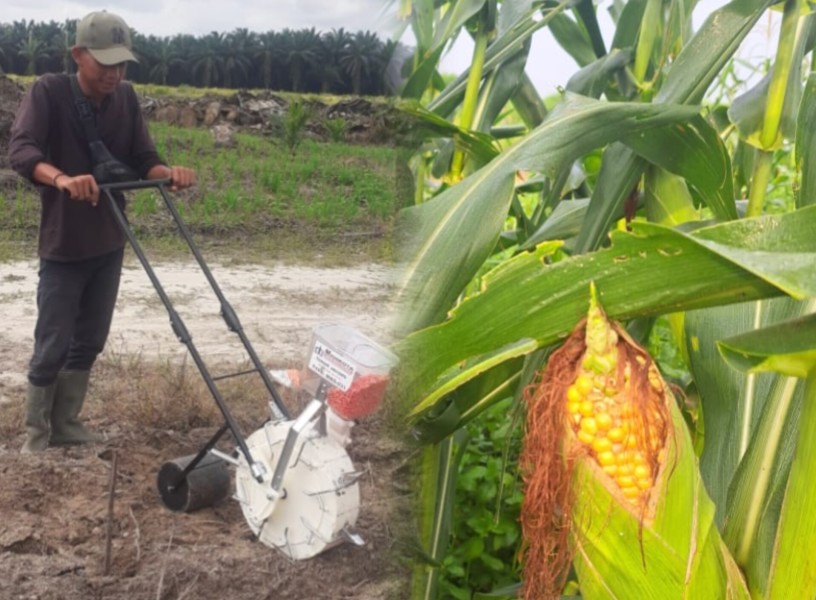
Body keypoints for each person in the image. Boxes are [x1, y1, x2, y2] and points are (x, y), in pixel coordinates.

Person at [8, 10, 196, 452]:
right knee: (52, 341)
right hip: (63, 243)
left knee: (90, 337)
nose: (115, 73)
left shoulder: (126, 99)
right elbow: (21, 150)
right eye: (105, 62)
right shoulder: (49, 92)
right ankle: (37, 435)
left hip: (110, 240)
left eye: (122, 63)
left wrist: (168, 173)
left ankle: (67, 423)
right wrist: (62, 179)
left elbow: (142, 156)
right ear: (78, 55)